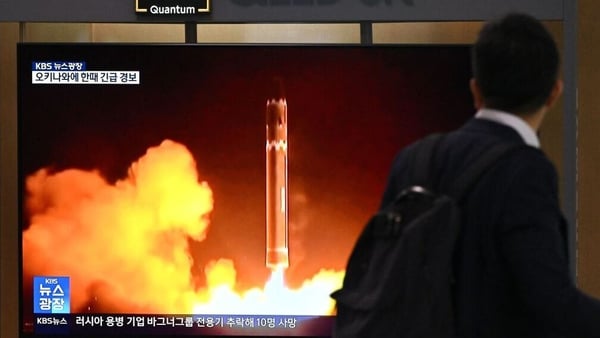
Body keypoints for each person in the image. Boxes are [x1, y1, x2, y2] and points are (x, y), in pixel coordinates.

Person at [378, 12, 600, 337]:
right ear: (554, 93)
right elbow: (551, 304)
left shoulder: (412, 159)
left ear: (476, 89)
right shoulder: (527, 172)